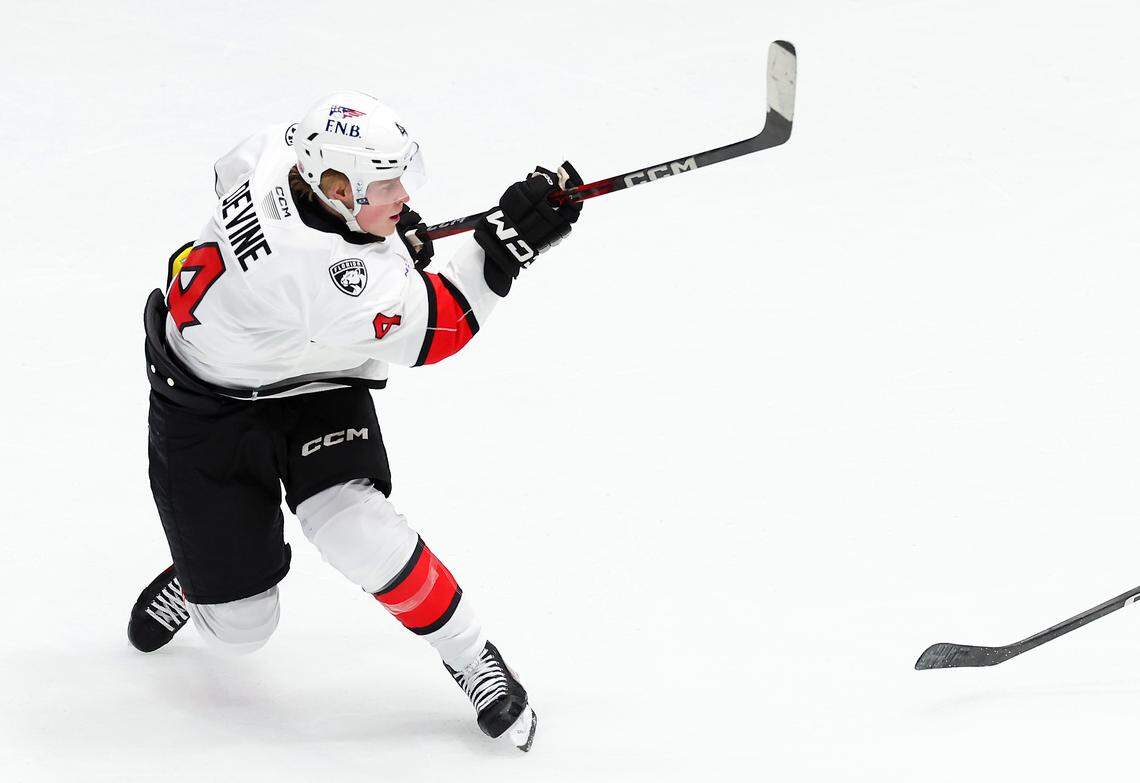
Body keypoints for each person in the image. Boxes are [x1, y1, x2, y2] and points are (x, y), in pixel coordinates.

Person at [127, 91, 583, 752]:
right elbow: (441, 326)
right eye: (383, 184)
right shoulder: (317, 276)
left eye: (401, 175)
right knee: (241, 631)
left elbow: (255, 193)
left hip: (309, 374)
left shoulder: (276, 152)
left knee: (356, 529)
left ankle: (470, 654)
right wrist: (505, 249)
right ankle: (201, 572)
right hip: (206, 411)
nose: (402, 192)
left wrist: (385, 235)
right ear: (334, 186)